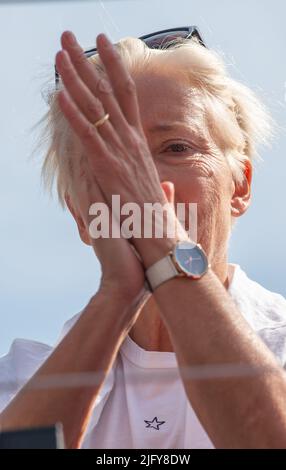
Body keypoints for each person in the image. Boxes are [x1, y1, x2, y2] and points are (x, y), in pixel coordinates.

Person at [1, 26, 286, 449]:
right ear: (81, 214)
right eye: (112, 160)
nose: (143, 182)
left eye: (175, 148)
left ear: (240, 185)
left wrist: (168, 251)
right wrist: (116, 295)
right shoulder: (23, 381)